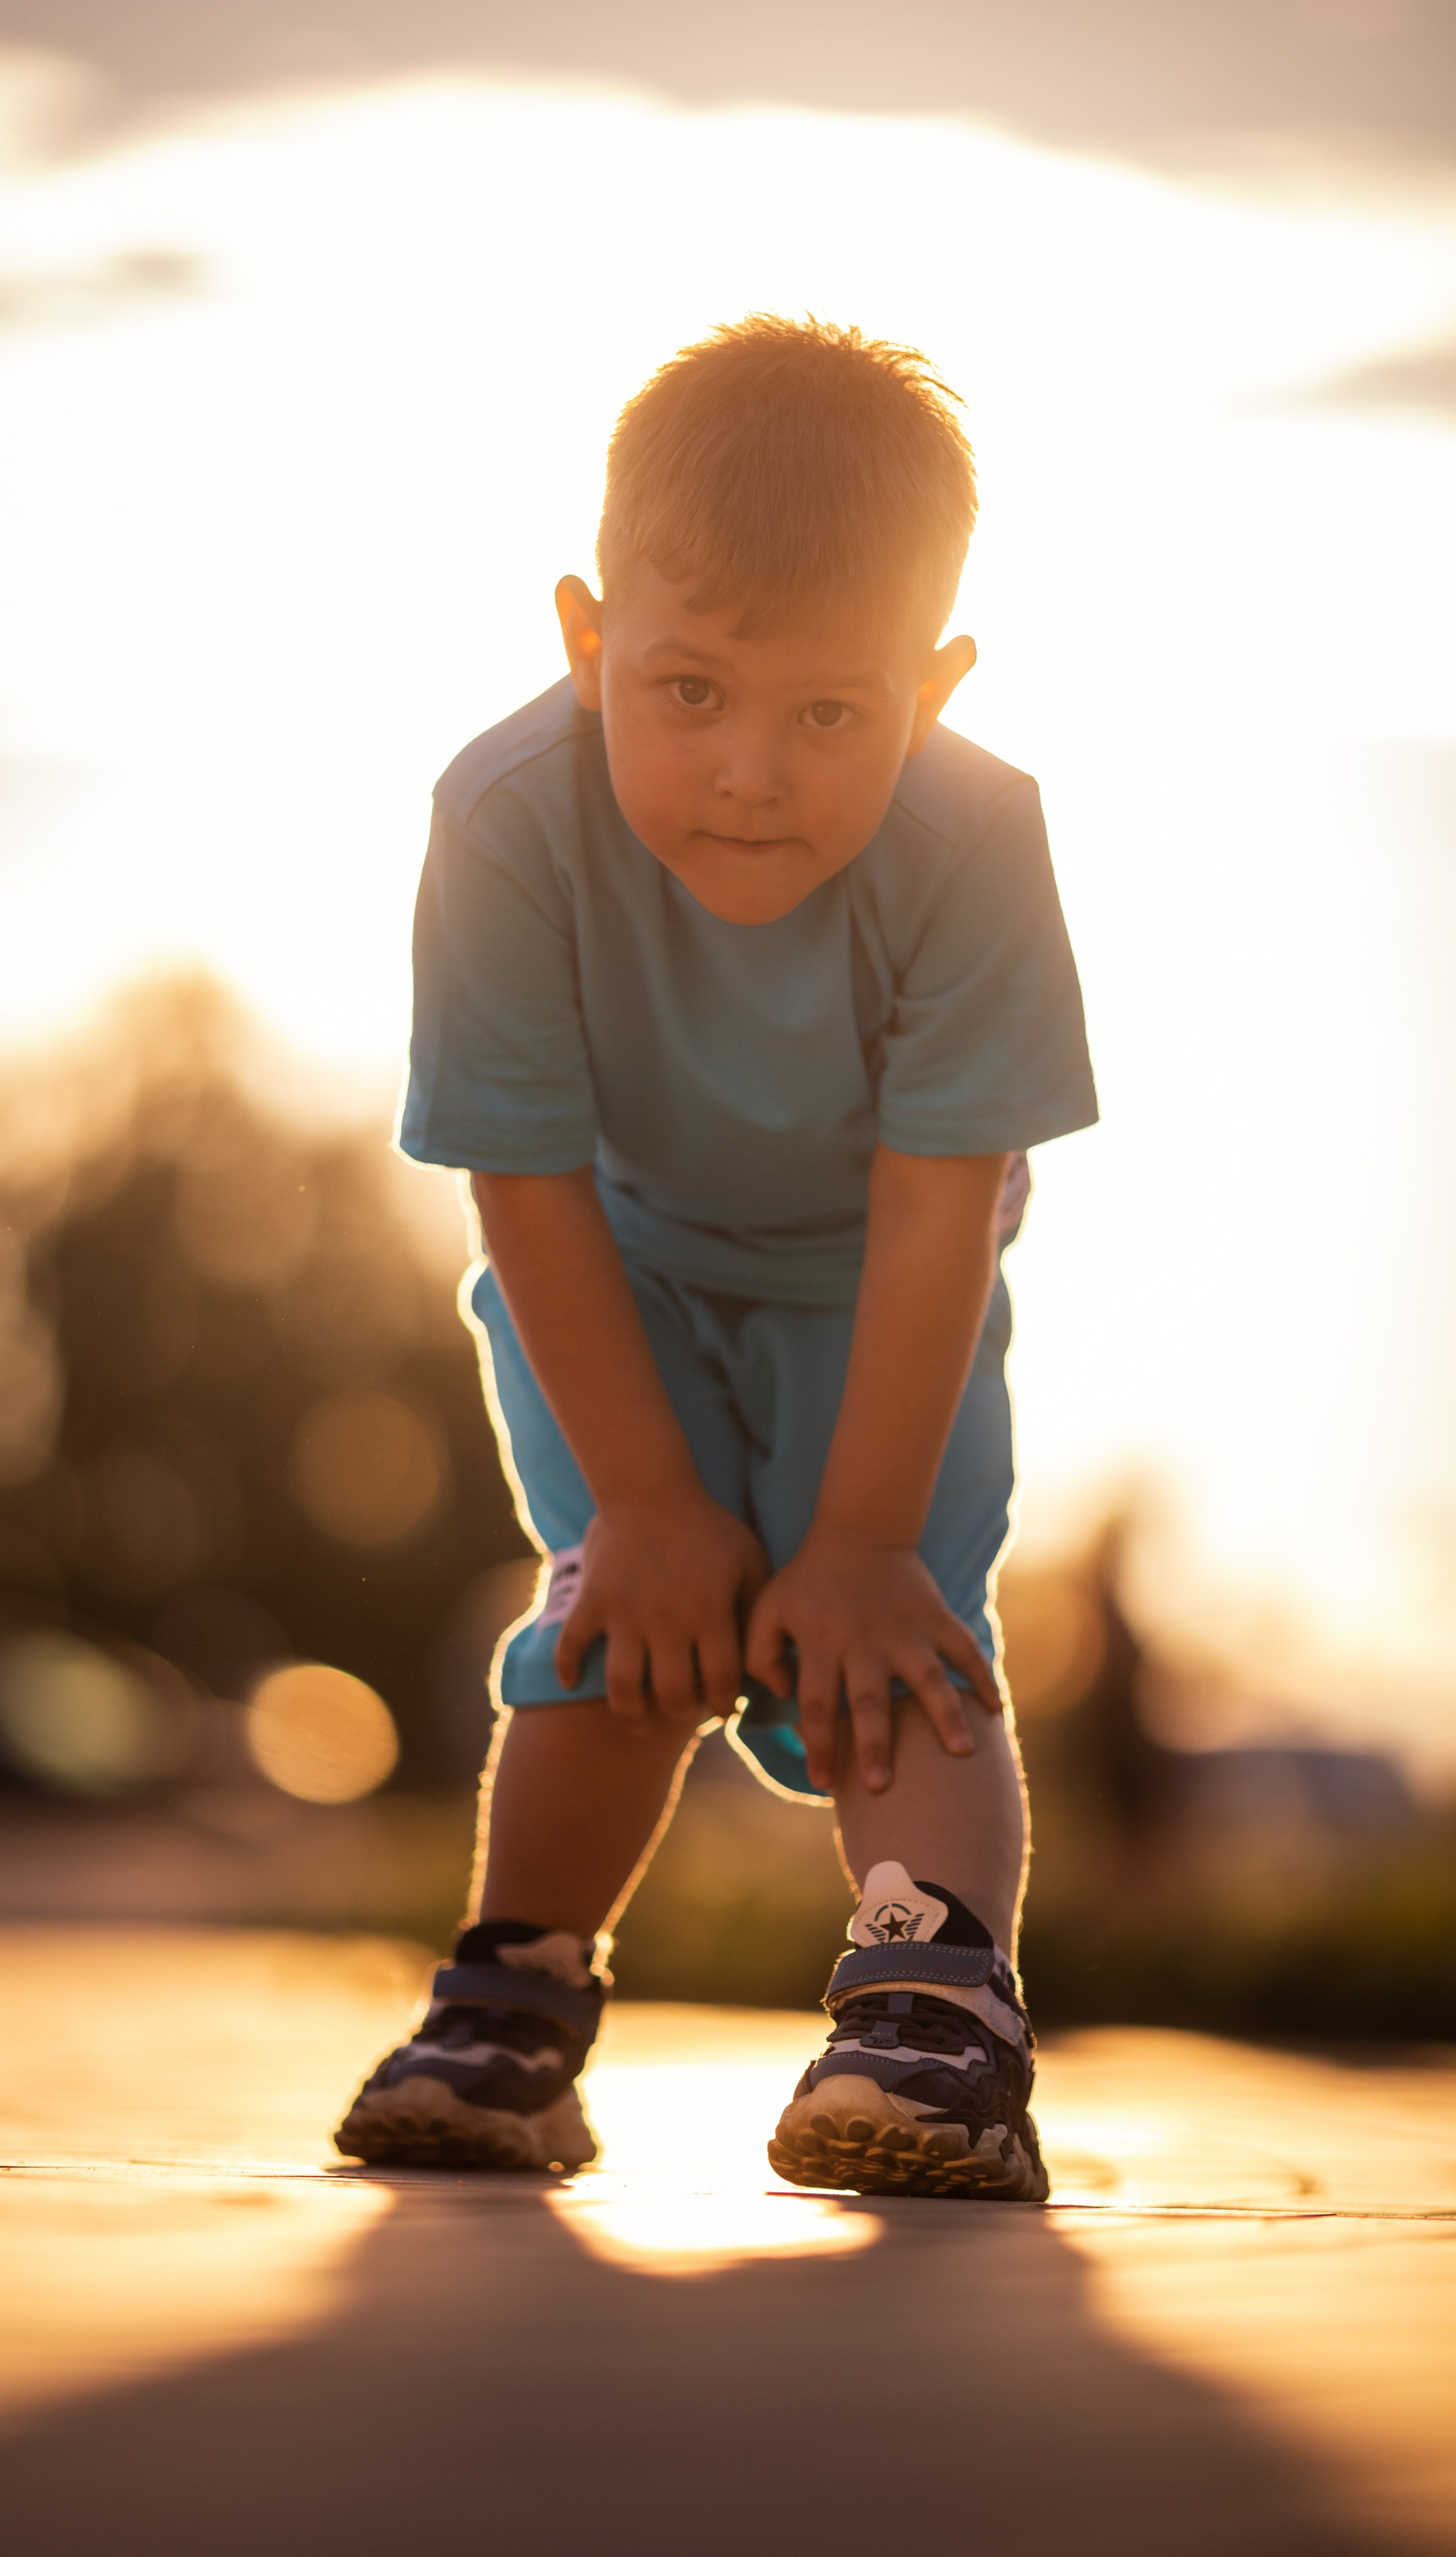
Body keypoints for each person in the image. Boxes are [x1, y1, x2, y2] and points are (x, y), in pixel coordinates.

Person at [336, 316, 1097, 2198]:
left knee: (895, 1622)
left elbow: (943, 1197)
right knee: (620, 1608)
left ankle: (934, 2015)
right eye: (688, 692)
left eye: (831, 712)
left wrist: (846, 1548)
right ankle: (511, 2006)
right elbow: (517, 1177)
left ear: (934, 685)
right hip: (623, 1255)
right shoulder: (502, 820)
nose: (750, 771)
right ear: (589, 642)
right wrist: (662, 1495)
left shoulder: (980, 839)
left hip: (880, 1273)